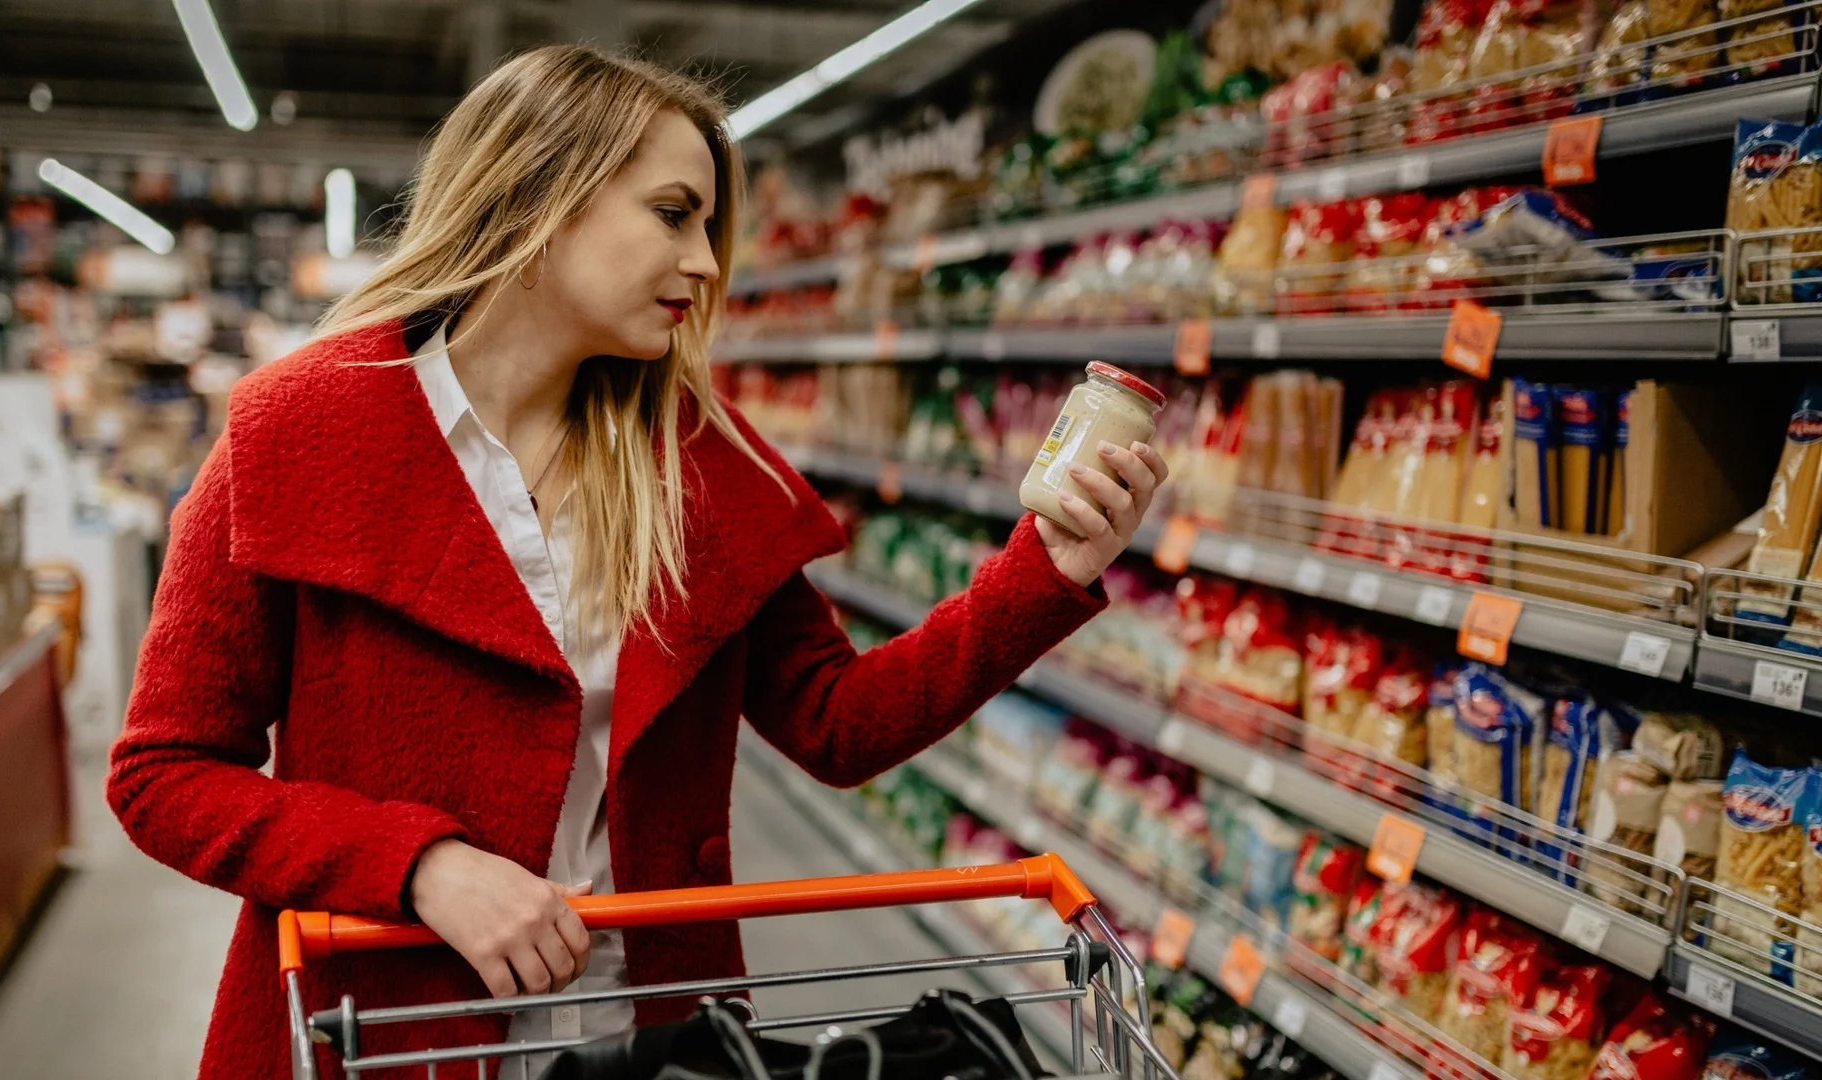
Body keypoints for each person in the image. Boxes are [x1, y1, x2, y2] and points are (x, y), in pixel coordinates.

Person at [106, 45, 1167, 1079]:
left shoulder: (699, 463)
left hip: (649, 1034)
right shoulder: (295, 432)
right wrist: (418, 864)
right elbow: (164, 774)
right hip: (389, 1025)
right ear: (540, 196)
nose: (705, 263)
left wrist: (1048, 569)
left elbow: (840, 722)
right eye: (673, 215)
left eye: (708, 225)